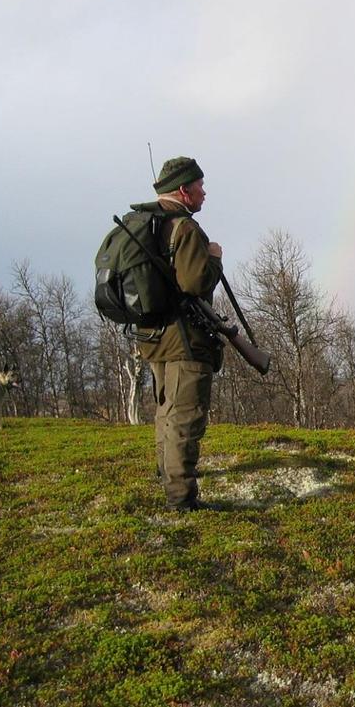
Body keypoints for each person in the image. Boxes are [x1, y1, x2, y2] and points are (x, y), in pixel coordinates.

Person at [135, 156, 224, 511]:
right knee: (185, 417)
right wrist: (214, 257)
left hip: (154, 337)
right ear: (184, 190)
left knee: (166, 412)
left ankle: (167, 475)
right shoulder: (184, 229)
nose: (204, 191)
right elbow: (196, 281)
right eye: (199, 185)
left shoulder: (149, 223)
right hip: (185, 339)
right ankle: (181, 499)